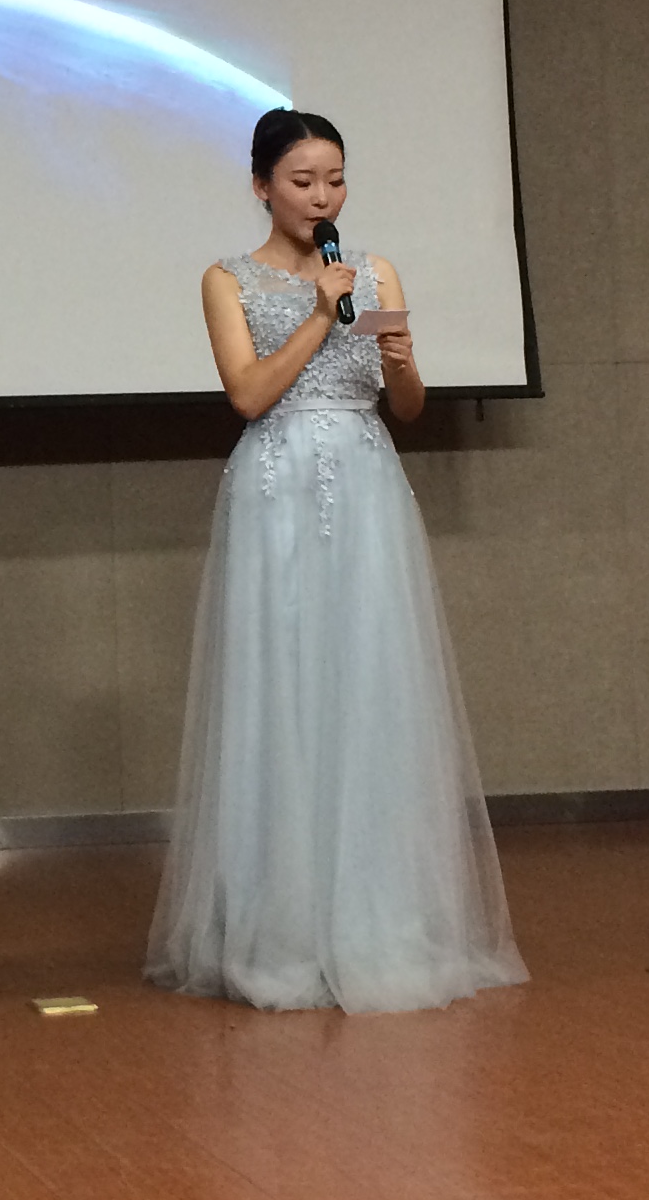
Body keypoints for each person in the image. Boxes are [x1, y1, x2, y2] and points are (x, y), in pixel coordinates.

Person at [144, 108, 527, 1014]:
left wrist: (401, 360)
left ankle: (378, 916)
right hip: (275, 485)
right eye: (303, 181)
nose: (323, 197)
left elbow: (407, 406)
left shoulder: (376, 271)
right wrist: (321, 313)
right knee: (282, 688)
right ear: (262, 186)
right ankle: (279, 927)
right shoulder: (227, 279)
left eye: (336, 179)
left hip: (365, 482)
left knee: (370, 686)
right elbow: (248, 394)